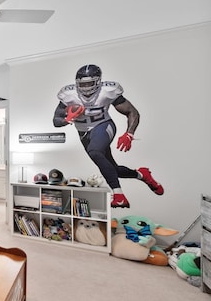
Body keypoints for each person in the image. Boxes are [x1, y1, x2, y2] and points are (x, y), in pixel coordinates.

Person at [52, 64, 163, 208]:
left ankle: (118, 195)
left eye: (89, 83)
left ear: (98, 81)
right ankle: (142, 175)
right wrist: (67, 119)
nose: (85, 88)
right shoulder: (69, 94)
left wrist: (129, 134)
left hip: (103, 125)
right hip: (84, 133)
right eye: (82, 84)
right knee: (112, 169)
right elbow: (56, 121)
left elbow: (132, 112)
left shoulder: (107, 91)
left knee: (95, 152)